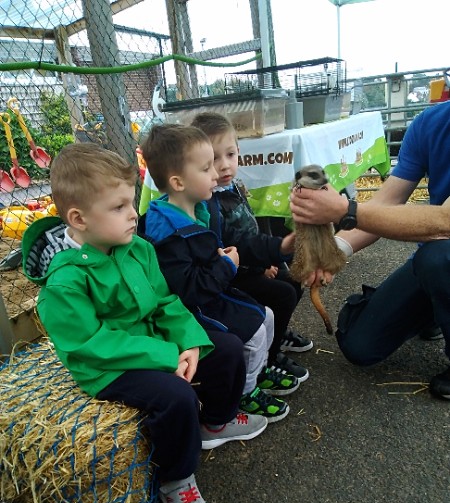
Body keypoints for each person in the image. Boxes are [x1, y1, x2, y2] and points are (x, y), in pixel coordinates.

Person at [21, 142, 269, 503]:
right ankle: (176, 480)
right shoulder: (64, 282)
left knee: (225, 349)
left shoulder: (137, 248)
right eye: (119, 207)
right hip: (107, 366)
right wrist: (167, 354)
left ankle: (215, 423)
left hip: (153, 342)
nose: (133, 213)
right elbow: (93, 344)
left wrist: (189, 341)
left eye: (131, 202)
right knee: (175, 396)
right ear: (79, 218)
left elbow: (165, 302)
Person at [289, 100, 450, 401]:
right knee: (360, 346)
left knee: (438, 258)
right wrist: (334, 252)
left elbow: (446, 223)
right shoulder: (430, 123)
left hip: (442, 255)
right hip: (436, 262)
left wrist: (344, 210)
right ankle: (436, 309)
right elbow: (384, 205)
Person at [139, 124, 300, 423]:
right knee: (254, 331)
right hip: (192, 308)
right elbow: (187, 290)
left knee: (267, 316)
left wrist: (278, 248)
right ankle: (245, 393)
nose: (216, 173)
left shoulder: (200, 208)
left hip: (213, 290)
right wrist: (225, 266)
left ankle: (257, 373)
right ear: (178, 182)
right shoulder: (168, 232)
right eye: (206, 168)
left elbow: (233, 243)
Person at [190, 112, 312, 382]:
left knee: (294, 281)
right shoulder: (206, 202)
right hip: (232, 276)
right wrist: (258, 268)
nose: (224, 166)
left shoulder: (231, 187)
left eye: (230, 155)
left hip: (251, 264)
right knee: (283, 294)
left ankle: (276, 335)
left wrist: (268, 258)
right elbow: (226, 246)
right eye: (214, 159)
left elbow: (249, 230)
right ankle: (268, 360)